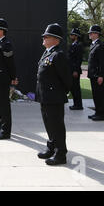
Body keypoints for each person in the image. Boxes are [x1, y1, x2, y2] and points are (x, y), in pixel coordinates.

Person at [36, 23, 72, 166]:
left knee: (56, 125)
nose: (43, 37)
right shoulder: (47, 53)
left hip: (54, 97)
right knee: (48, 123)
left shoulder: (59, 55)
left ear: (55, 39)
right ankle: (51, 147)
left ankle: (61, 153)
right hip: (45, 96)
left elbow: (67, 79)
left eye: (47, 36)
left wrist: (60, 92)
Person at [0, 18, 17, 139]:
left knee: (4, 105)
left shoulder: (6, 45)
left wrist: (13, 77)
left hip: (3, 79)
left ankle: (6, 131)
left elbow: (10, 63)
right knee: (0, 104)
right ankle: (1, 126)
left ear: (1, 31)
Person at [87, 25, 104, 121]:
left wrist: (101, 75)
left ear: (97, 34)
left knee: (99, 95)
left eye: (92, 33)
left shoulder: (100, 45)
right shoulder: (93, 44)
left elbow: (102, 62)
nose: (90, 34)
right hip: (93, 74)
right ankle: (97, 112)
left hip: (98, 75)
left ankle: (101, 114)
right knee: (95, 95)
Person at [68, 28, 84, 110]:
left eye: (72, 35)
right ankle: (76, 104)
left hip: (75, 71)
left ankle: (78, 105)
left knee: (76, 88)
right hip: (71, 70)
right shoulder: (73, 45)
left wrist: (75, 70)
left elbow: (78, 60)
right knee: (73, 88)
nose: (70, 36)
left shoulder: (78, 45)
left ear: (76, 36)